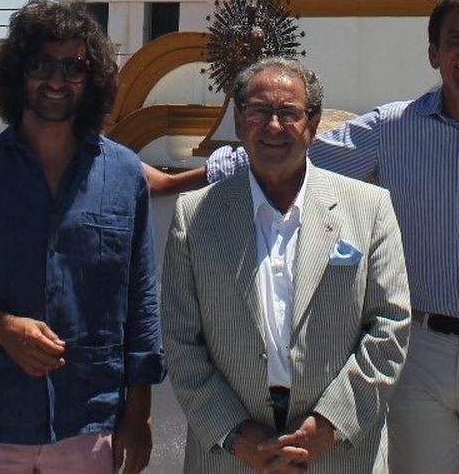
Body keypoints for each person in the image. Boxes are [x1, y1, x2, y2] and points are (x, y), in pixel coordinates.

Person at [199, 0, 459, 472]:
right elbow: (292, 157)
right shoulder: (391, 128)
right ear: (434, 53)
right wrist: (188, 177)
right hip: (419, 350)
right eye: (455, 38)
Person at [0, 0, 163, 473]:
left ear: (94, 79)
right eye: (42, 64)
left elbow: (141, 302)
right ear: (18, 73)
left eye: (74, 67)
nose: (57, 80)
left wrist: (138, 411)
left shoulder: (124, 177)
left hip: (88, 424)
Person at [163, 58, 409, 472]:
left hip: (338, 452)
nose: (273, 126)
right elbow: (180, 339)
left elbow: (390, 325)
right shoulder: (196, 216)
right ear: (240, 122)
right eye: (258, 111)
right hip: (231, 455)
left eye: (288, 113)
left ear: (312, 125)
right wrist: (238, 435)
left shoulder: (369, 208)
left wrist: (327, 426)